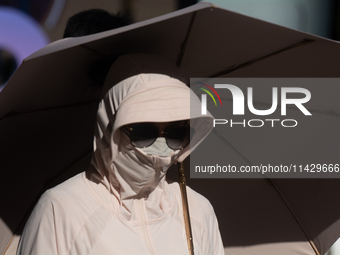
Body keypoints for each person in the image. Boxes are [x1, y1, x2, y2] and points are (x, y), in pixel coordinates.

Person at [16, 54, 224, 254]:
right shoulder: (61, 208)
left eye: (176, 133)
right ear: (111, 127)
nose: (161, 149)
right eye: (144, 132)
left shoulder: (197, 210)